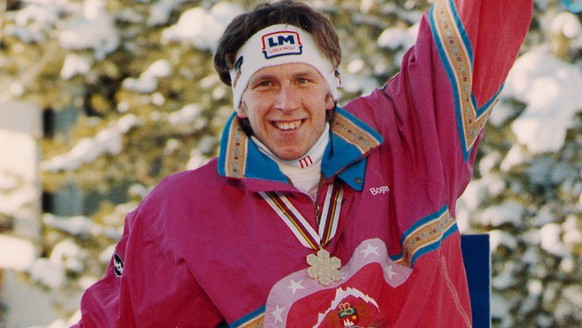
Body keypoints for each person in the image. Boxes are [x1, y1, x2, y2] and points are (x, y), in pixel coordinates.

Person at [73, 0, 532, 326]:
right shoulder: (182, 210)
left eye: (303, 79)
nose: (287, 102)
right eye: (265, 84)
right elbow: (117, 319)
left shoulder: (410, 137)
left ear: (331, 88)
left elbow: (482, 21)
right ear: (240, 102)